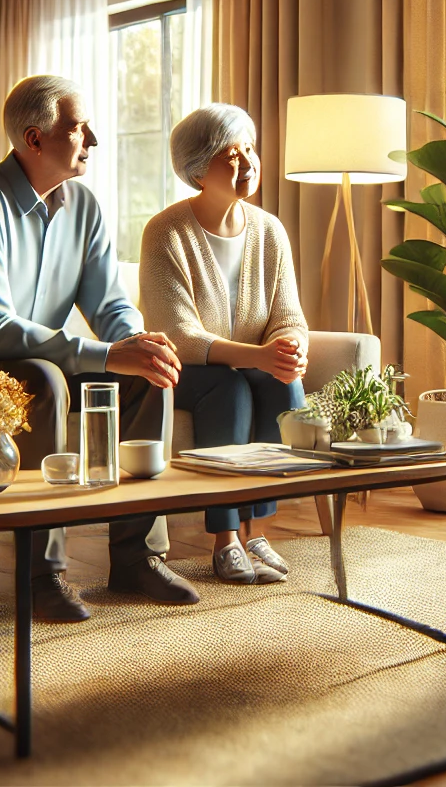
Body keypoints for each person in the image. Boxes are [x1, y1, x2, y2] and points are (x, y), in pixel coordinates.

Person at [0, 74, 197, 623]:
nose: (92, 140)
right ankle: (41, 574)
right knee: (44, 380)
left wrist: (135, 341)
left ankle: (137, 557)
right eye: (79, 128)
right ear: (34, 138)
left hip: (39, 361)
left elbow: (109, 303)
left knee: (150, 372)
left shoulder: (85, 206)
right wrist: (103, 355)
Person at [139, 104, 308, 585]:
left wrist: (289, 346)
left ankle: (258, 534)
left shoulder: (269, 231)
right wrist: (259, 355)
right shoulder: (165, 232)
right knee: (228, 389)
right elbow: (179, 335)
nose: (247, 162)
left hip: (248, 363)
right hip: (185, 372)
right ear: (197, 170)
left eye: (250, 149)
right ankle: (225, 541)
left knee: (283, 386)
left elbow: (288, 316)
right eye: (229, 155)